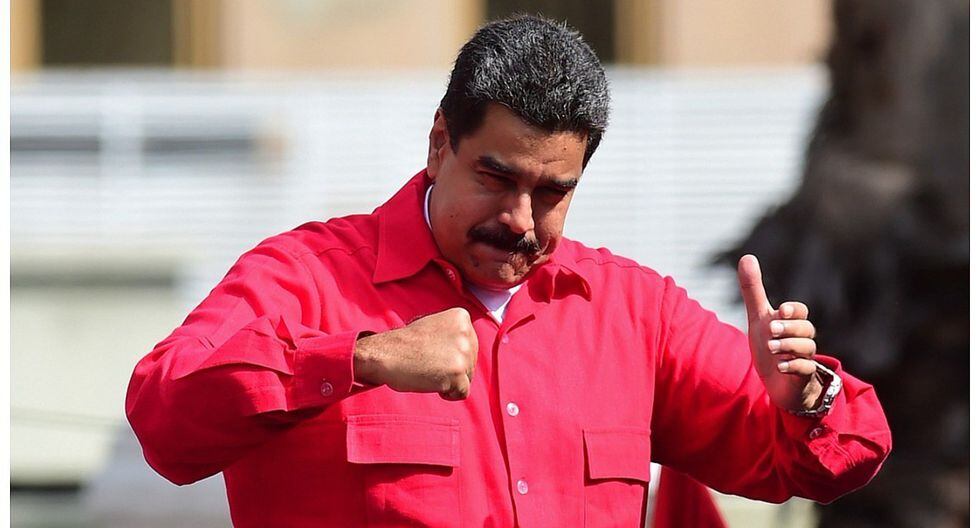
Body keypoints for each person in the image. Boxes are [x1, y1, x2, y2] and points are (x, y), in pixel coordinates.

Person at [126, 15, 891, 528]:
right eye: (496, 179)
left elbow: (841, 454)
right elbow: (164, 418)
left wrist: (807, 397)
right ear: (439, 145)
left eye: (553, 192)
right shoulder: (306, 278)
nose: (521, 219)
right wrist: (360, 358)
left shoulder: (634, 313)